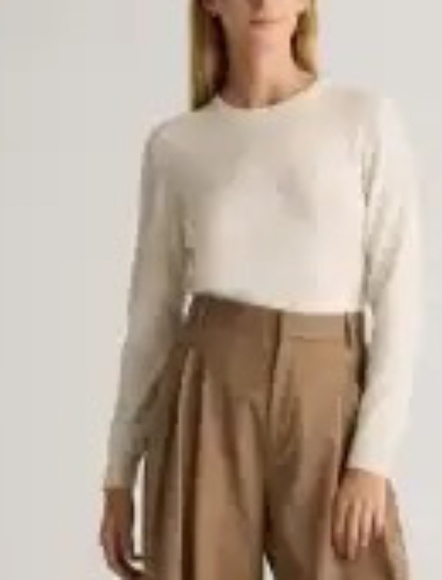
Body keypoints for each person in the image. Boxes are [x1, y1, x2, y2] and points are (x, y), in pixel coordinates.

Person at [98, 0, 423, 578]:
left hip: (327, 397)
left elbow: (400, 294)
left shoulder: (363, 120)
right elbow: (151, 317)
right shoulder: (179, 145)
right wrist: (119, 473)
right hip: (208, 396)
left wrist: (372, 459)